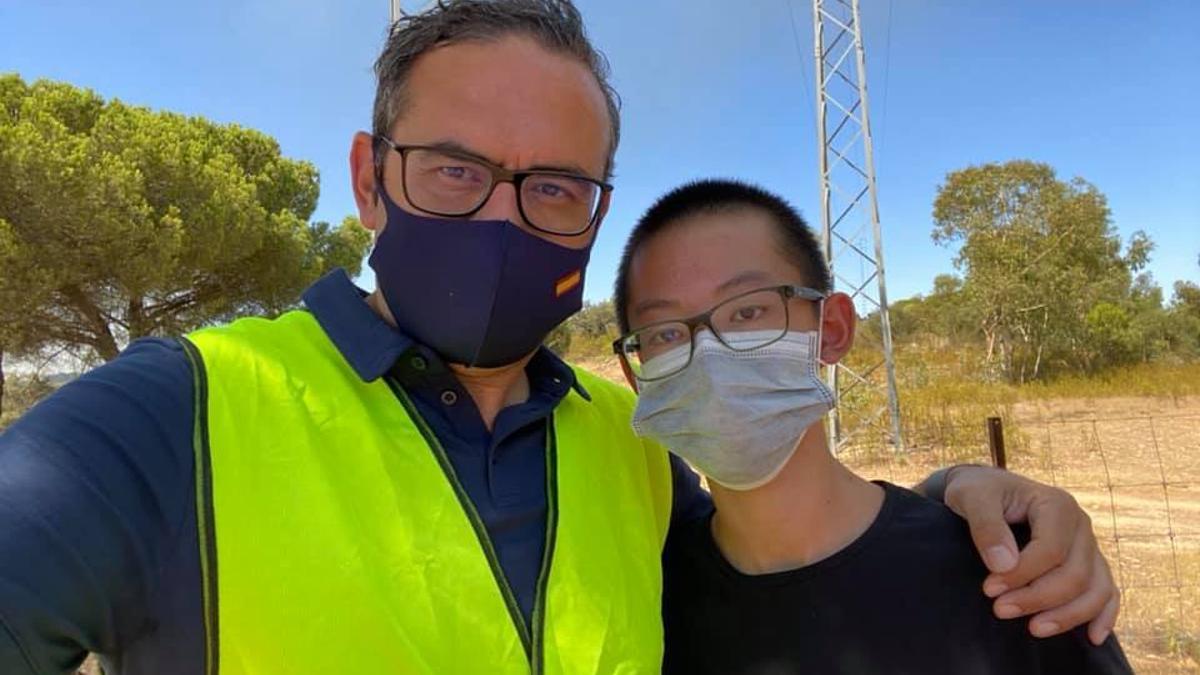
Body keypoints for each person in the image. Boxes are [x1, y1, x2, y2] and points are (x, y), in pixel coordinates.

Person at [0, 2, 1116, 673]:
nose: (500, 215)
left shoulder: (629, 444)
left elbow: (791, 534)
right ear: (367, 182)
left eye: (553, 187)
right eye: (453, 170)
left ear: (594, 209)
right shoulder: (166, 419)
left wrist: (968, 491)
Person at [612, 179, 1133, 674]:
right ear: (638, 378)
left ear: (831, 329)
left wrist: (957, 479)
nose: (708, 353)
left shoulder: (1015, 577)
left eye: (748, 312)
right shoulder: (644, 593)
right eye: (664, 334)